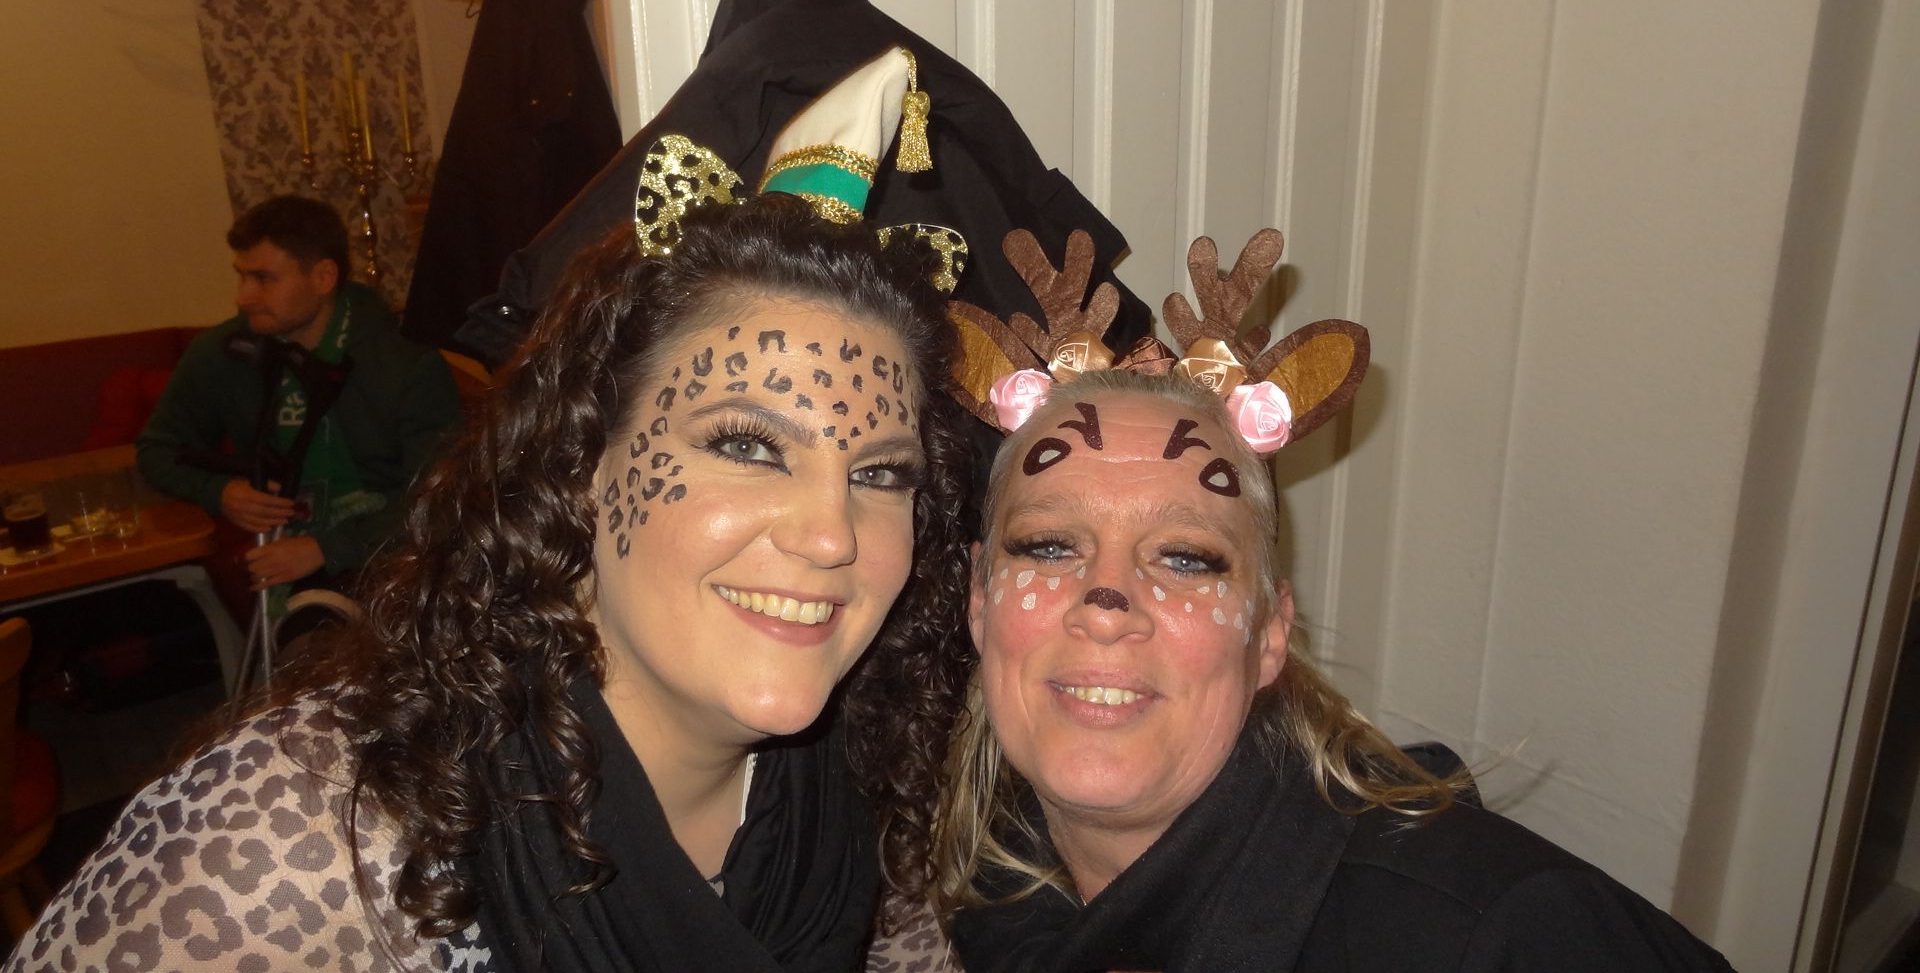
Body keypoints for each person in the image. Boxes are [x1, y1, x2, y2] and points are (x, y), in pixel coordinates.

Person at [11, 195, 974, 971]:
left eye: (883, 474)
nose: (831, 535)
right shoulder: (302, 838)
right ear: (582, 463)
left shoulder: (870, 776)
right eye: (748, 445)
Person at [922, 232, 1736, 971]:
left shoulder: (1501, 935)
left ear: (1270, 634)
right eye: (1049, 545)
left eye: (1186, 557)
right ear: (979, 600)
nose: (1106, 604)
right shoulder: (984, 890)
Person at [136, 195, 461, 591]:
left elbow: (442, 498)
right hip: (280, 555)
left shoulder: (407, 363)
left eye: (264, 279)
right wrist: (219, 492)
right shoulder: (224, 354)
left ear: (323, 277)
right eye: (242, 276)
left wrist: (326, 549)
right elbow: (156, 450)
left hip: (396, 564)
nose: (243, 296)